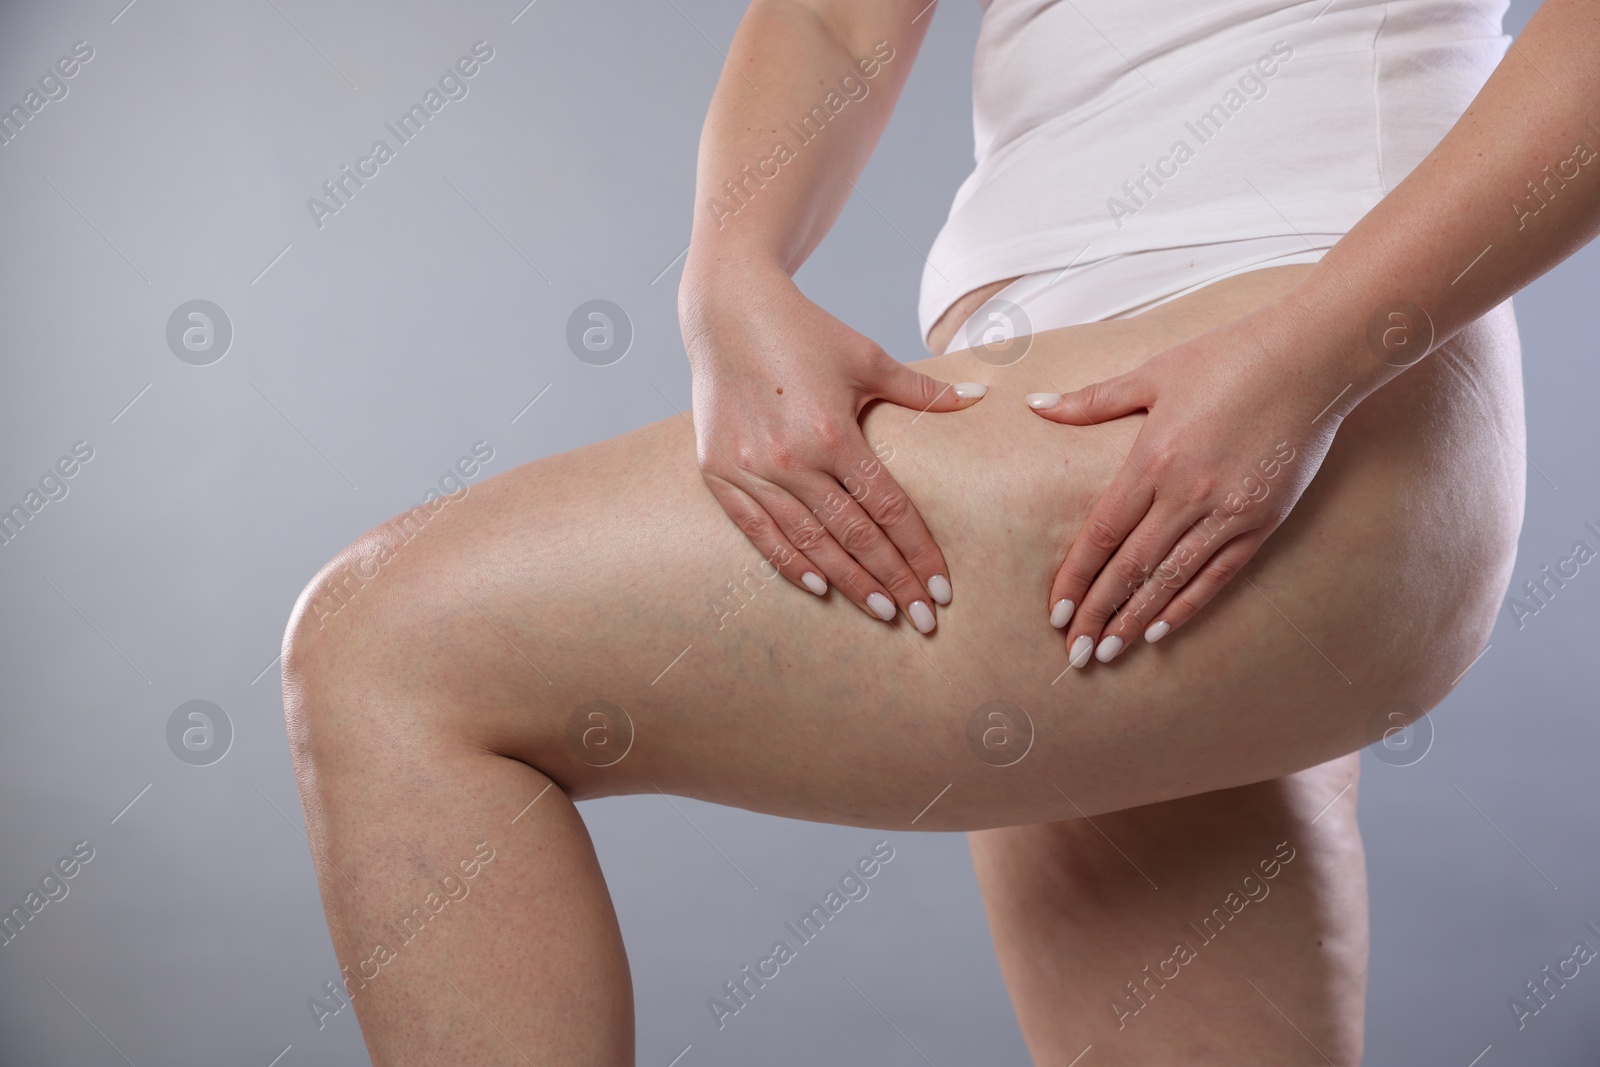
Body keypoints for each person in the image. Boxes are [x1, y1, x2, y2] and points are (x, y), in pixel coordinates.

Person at [282, 0, 1596, 1062]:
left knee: (386, 651)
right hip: (1110, 402)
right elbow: (840, 19)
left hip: (1281, 374)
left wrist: (1309, 363)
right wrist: (729, 269)